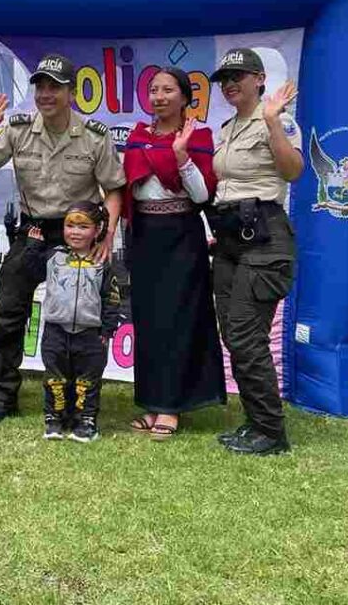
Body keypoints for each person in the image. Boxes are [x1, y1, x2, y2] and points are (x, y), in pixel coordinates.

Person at [0, 53, 126, 427]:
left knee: (79, 320)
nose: (46, 94)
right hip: (32, 233)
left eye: (55, 87)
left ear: (71, 92)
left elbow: (114, 189)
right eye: (41, 86)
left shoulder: (94, 136)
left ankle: (75, 400)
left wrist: (108, 234)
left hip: (77, 237)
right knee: (8, 315)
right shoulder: (18, 129)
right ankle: (4, 397)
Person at [208, 48, 303, 456]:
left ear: (259, 79)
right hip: (230, 240)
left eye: (239, 75)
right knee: (235, 336)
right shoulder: (226, 128)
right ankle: (254, 422)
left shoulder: (278, 120)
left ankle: (270, 431)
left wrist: (271, 123)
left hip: (264, 239)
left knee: (246, 335)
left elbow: (293, 171)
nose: (230, 83)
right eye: (225, 78)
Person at [122, 67, 225, 441]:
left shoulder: (199, 137)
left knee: (179, 318)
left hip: (182, 234)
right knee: (149, 320)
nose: (159, 96)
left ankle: (172, 406)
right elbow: (129, 189)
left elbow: (201, 196)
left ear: (185, 97)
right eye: (154, 90)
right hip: (145, 235)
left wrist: (181, 156)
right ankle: (153, 401)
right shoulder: (137, 137)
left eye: (168, 90)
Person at [24, 202, 121, 442]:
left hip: (90, 334)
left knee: (87, 381)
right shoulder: (53, 256)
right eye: (70, 225)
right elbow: (31, 271)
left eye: (83, 226)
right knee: (55, 377)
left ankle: (85, 420)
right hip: (56, 331)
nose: (75, 232)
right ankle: (55, 418)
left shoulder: (102, 261)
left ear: (97, 230)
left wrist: (107, 330)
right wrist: (32, 247)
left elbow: (112, 298)